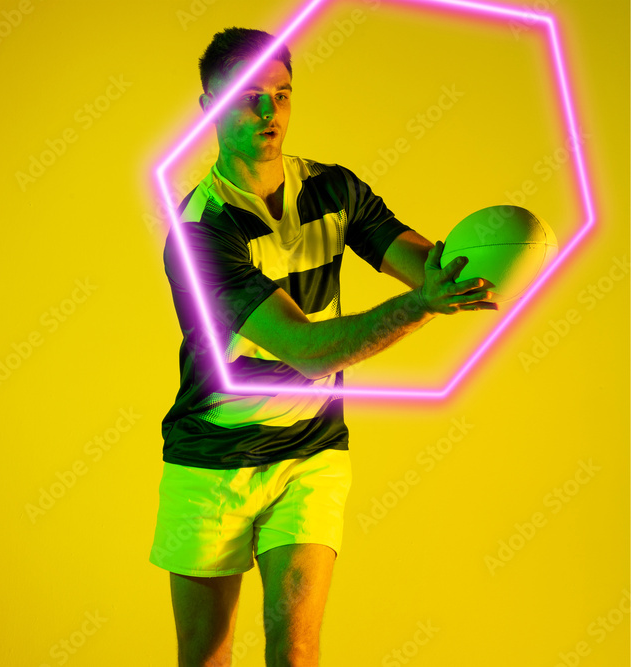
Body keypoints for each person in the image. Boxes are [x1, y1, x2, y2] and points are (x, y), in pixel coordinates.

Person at [149, 27, 497, 667]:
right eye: (249, 97)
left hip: (310, 454)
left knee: (298, 647)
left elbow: (424, 263)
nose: (267, 113)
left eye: (281, 95)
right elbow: (305, 351)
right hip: (212, 455)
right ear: (208, 110)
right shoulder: (201, 232)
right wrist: (420, 306)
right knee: (205, 654)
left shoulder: (334, 191)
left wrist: (483, 262)